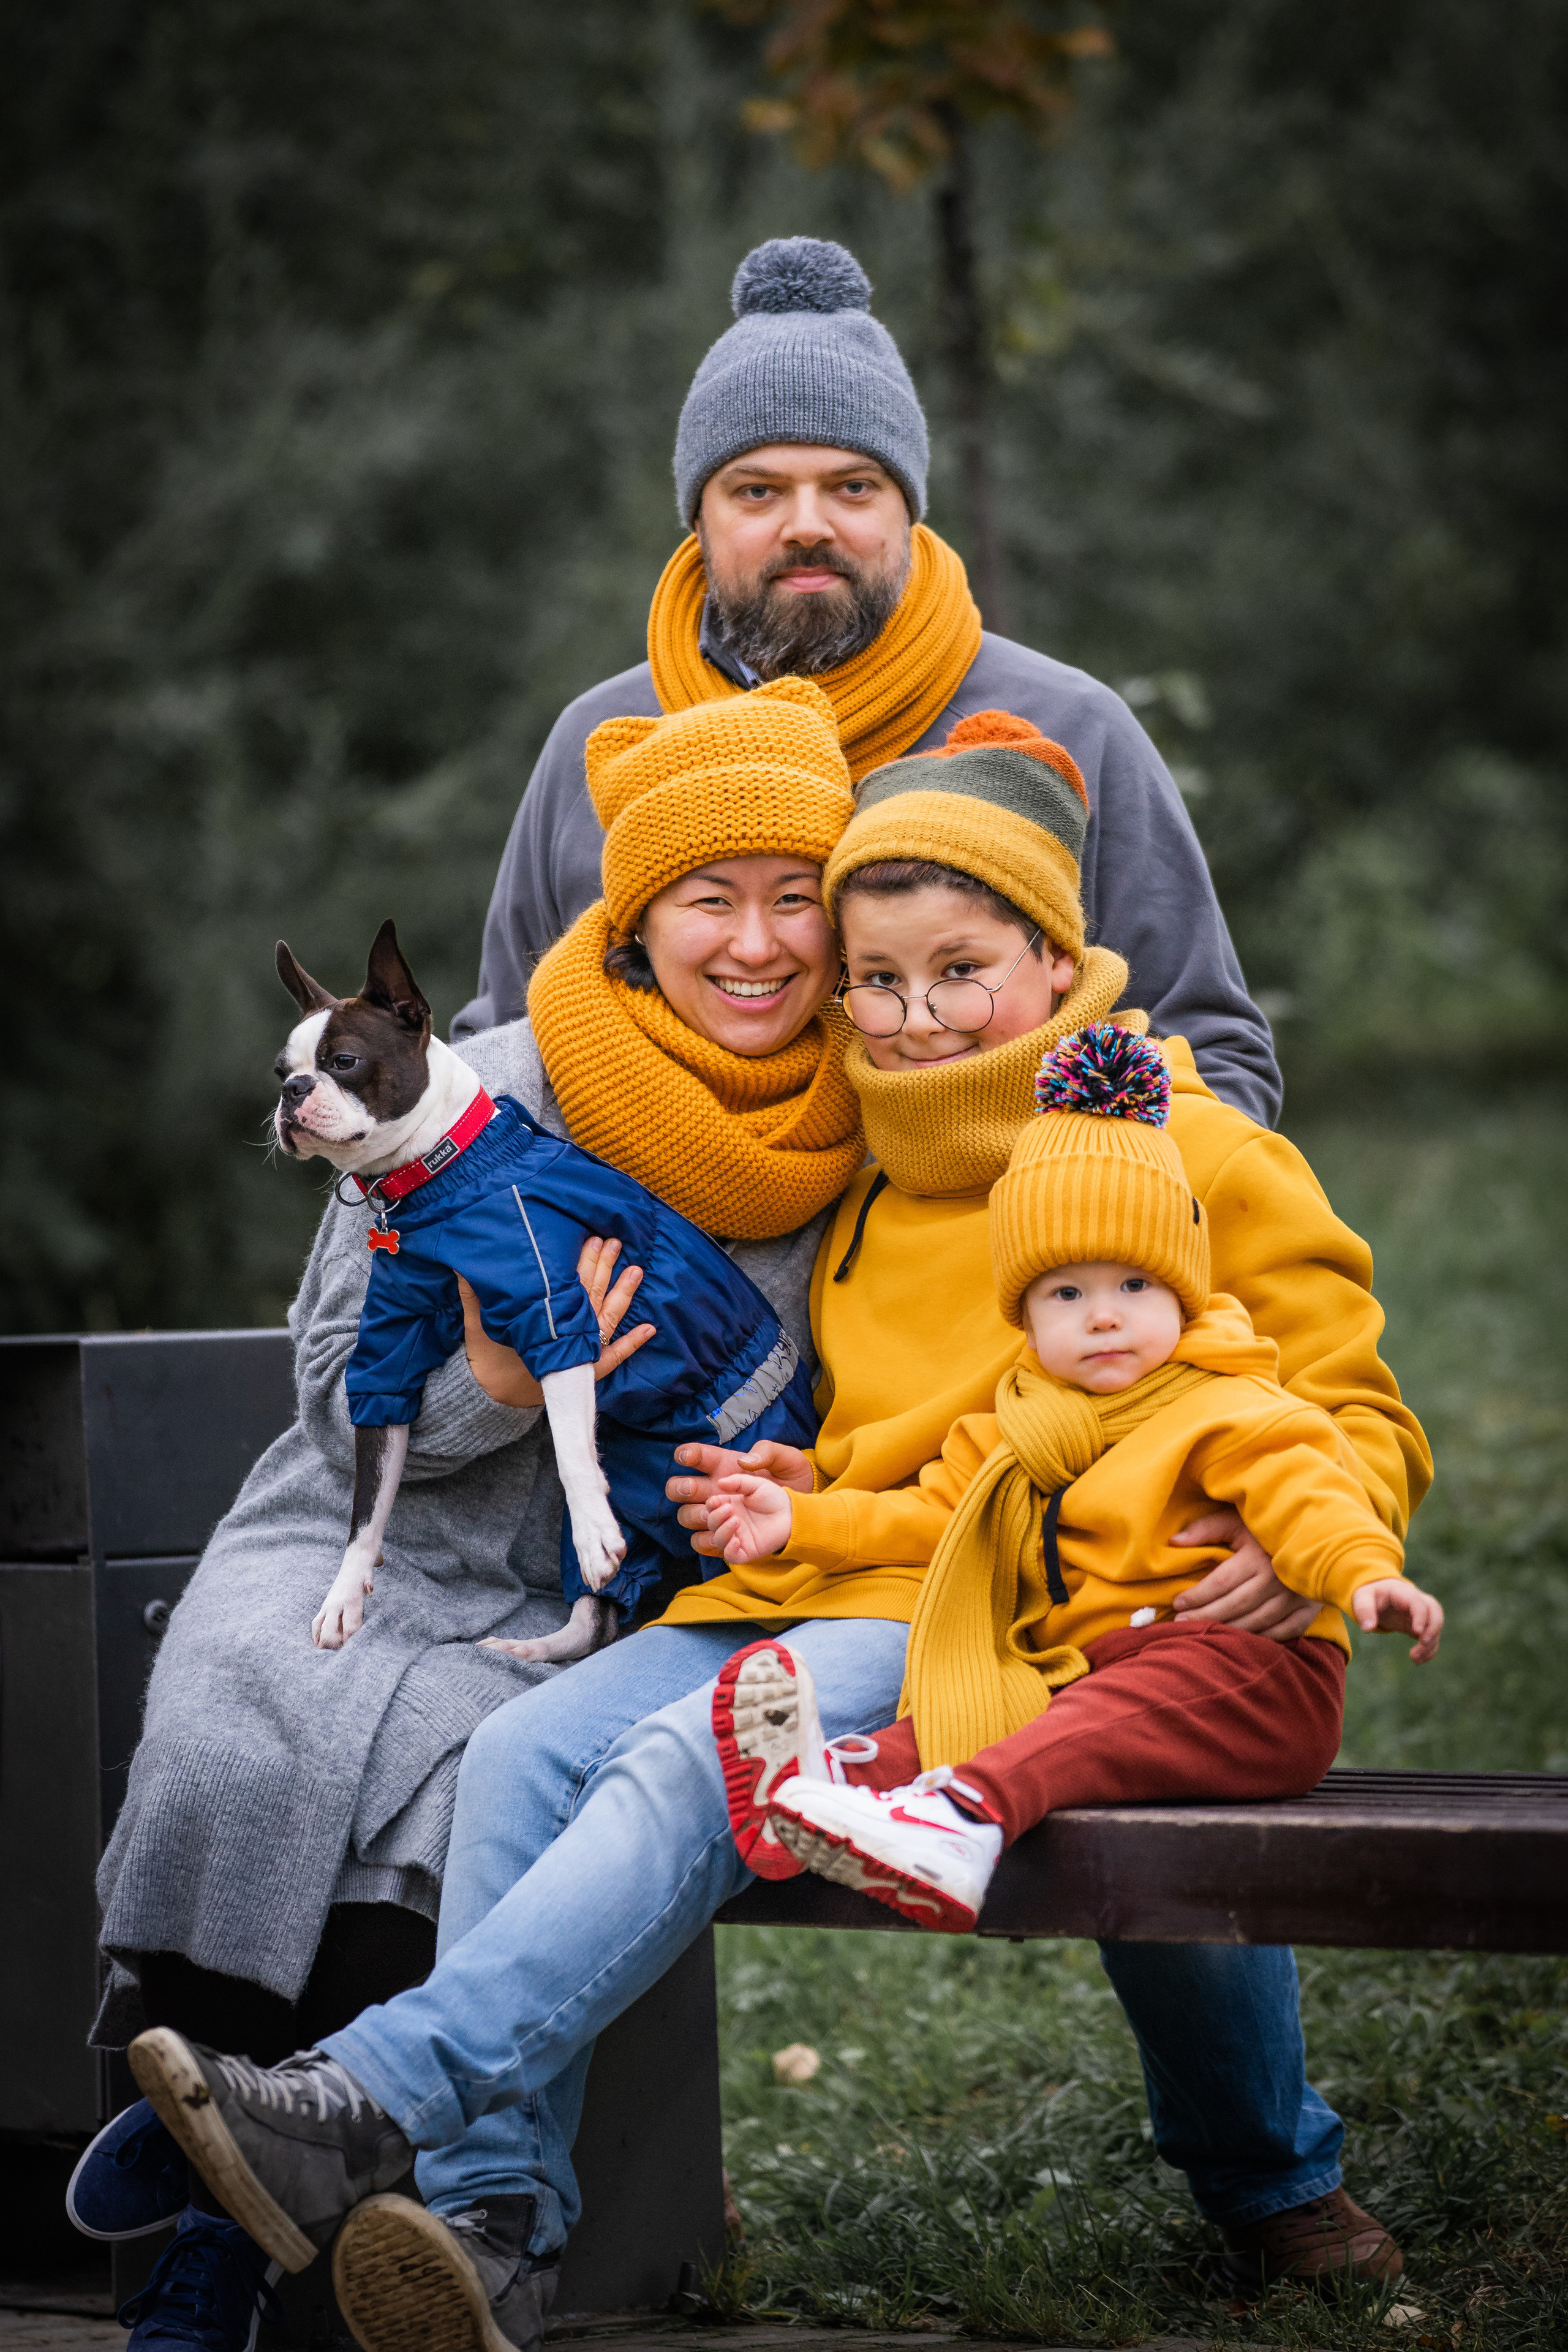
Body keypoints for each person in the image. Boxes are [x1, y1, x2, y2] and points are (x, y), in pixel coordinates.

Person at [122, 710, 1429, 2348]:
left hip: (1020, 1609)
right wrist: (782, 1489)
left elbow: (1351, 1395)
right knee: (526, 1757)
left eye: (961, 971)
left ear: (1057, 953)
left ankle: (372, 2104)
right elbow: (866, 1429)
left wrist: (1324, 1534)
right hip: (831, 1568)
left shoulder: (1179, 1140)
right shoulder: (870, 1171)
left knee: (706, 1760)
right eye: (875, 979)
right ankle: (496, 2220)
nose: (908, 1015)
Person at [76, 680, 864, 2348]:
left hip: (588, 1571)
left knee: (441, 1770)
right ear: (635, 918)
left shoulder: (850, 1133)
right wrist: (495, 1379)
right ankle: (226, 2234)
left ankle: (270, 2204)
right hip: (355, 1522)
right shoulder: (470, 1080)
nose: (755, 941)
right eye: (707, 897)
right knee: (235, 1719)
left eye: (796, 894)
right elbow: (325, 1371)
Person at [454, 233, 1282, 1131]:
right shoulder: (602, 739)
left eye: (852, 487)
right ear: (699, 517)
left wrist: (1072, 1231)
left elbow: (1214, 1054)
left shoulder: (1067, 727)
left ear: (907, 509)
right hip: (638, 1262)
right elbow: (502, 1046)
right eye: (757, 491)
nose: (807, 526)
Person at [703, 1023, 1443, 1931]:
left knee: (1083, 1720)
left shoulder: (1224, 1400)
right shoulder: (1018, 1427)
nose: (1103, 1319)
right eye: (1067, 1294)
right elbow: (930, 1516)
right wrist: (800, 1522)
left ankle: (962, 1817)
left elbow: (1307, 1492)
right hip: (1095, 1669)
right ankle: (823, 1791)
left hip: (1246, 1677)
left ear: (1185, 1292)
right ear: (1023, 1318)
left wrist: (1365, 1570)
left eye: (1136, 1287)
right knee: (992, 1705)